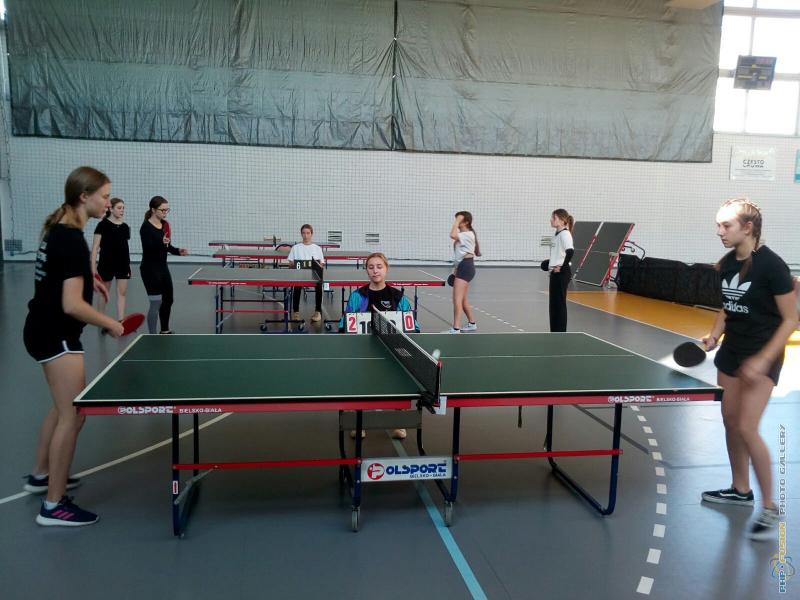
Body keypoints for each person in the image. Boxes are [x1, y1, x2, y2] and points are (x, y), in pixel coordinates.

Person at [23, 166, 125, 526]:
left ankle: (40, 475)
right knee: (74, 415)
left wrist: (87, 277)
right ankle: (54, 506)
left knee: (61, 407)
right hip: (58, 335)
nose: (108, 202)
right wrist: (110, 323)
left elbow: (59, 276)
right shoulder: (71, 239)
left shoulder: (59, 229)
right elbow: (71, 305)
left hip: (41, 328)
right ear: (84, 196)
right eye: (105, 196)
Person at [700, 197, 797, 541]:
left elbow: (791, 319)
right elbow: (728, 305)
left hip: (761, 355)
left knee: (746, 426)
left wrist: (763, 360)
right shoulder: (728, 263)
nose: (719, 231)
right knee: (730, 421)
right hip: (731, 353)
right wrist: (714, 335)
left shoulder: (772, 266)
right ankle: (740, 489)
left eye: (726, 225)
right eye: (718, 225)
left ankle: (770, 506)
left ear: (748, 227)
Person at [340, 252, 417, 440]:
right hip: (363, 350)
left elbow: (412, 326)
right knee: (359, 383)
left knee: (400, 381)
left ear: (386, 269)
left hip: (392, 351)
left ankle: (399, 423)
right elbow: (345, 324)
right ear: (366, 270)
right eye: (371, 267)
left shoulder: (398, 297)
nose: (375, 271)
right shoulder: (357, 296)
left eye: (379, 266)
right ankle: (359, 423)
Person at [140, 196, 188, 334]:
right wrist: (162, 243)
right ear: (153, 210)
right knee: (156, 303)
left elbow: (167, 246)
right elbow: (149, 249)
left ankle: (164, 330)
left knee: (168, 300)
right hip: (149, 270)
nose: (165, 213)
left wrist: (177, 251)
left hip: (163, 269)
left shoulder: (165, 225)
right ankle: (152, 335)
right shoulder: (146, 228)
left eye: (167, 210)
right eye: (162, 210)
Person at [91, 197, 131, 322]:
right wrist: (93, 267)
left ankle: (121, 322)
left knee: (122, 293)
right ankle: (101, 320)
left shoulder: (125, 227)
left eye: (123, 208)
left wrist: (128, 265)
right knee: (104, 293)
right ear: (111, 209)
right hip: (106, 264)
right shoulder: (102, 225)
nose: (122, 210)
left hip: (123, 265)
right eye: (119, 208)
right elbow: (95, 248)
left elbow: (124, 247)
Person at [446, 211, 480, 333]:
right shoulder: (463, 235)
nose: (456, 221)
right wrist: (455, 271)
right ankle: (472, 323)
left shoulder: (468, 234)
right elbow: (459, 256)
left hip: (466, 267)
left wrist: (457, 221)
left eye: (459, 219)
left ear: (466, 222)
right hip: (462, 267)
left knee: (457, 299)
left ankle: (456, 328)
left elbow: (452, 234)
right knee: (463, 299)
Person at [286, 224, 325, 323]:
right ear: (301, 234)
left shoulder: (317, 248)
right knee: (297, 286)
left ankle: (318, 312)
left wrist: (317, 266)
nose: (306, 235)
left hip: (314, 275)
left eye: (308, 233)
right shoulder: (296, 248)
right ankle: (296, 312)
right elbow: (290, 263)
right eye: (304, 233)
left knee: (319, 285)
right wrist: (294, 264)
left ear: (311, 234)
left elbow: (321, 264)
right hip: (299, 274)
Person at [547, 209, 575, 332]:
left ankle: (560, 332)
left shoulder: (565, 234)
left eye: (554, 218)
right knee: (554, 304)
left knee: (559, 304)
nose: (551, 220)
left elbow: (570, 252)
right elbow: (558, 254)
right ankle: (554, 331)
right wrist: (548, 264)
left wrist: (562, 267)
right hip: (555, 272)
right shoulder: (556, 235)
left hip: (561, 273)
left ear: (562, 220)